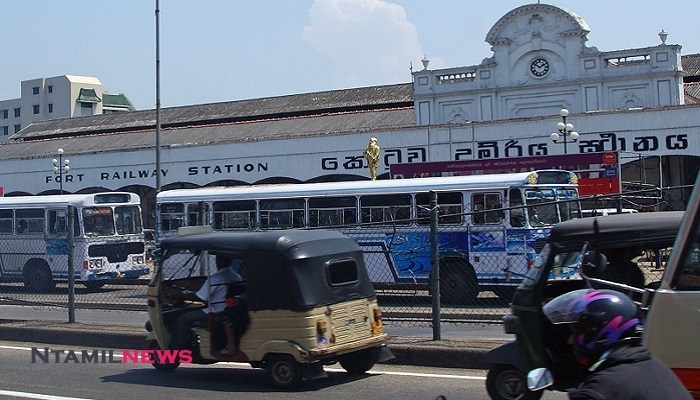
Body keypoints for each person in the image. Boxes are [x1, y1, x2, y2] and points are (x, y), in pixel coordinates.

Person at [542, 289, 692, 400]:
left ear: (597, 332)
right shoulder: (656, 366)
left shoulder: (602, 388)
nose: (570, 340)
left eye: (575, 333)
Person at [170, 254, 243, 350]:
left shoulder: (216, 278)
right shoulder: (235, 276)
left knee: (183, 318)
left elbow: (200, 297)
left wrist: (179, 295)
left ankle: (177, 348)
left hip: (216, 310)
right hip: (229, 308)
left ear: (218, 260)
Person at [219, 259, 249, 356]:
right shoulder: (237, 275)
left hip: (250, 307)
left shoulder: (217, 278)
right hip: (247, 305)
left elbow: (248, 294)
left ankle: (231, 347)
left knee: (227, 319)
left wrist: (238, 298)